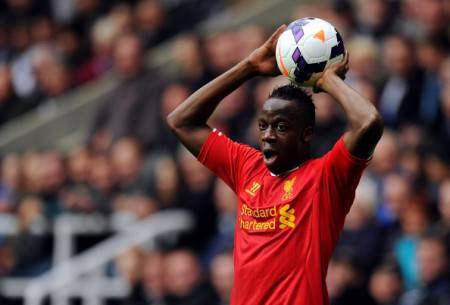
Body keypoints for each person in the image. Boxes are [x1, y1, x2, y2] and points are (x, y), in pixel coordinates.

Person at [167, 25, 384, 305]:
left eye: (281, 126)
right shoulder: (247, 166)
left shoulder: (326, 177)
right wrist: (248, 66)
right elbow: (180, 121)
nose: (268, 135)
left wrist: (326, 80)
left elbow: (369, 122)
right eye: (263, 126)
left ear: (306, 134)